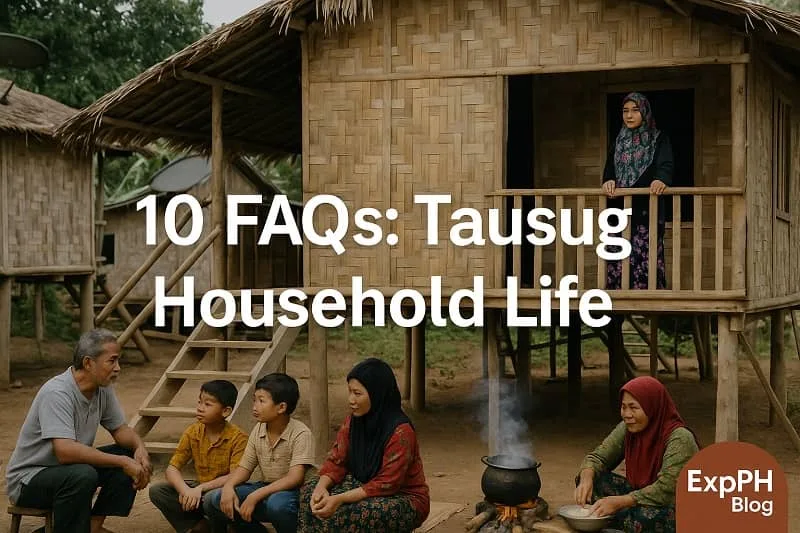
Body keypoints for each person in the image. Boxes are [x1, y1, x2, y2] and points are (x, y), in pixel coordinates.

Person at [5, 328, 152, 533]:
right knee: (84, 474)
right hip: (29, 480)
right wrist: (122, 462)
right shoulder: (57, 392)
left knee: (127, 454)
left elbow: (120, 429)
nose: (118, 368)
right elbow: (65, 452)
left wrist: (139, 448)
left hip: (69, 471)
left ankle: (92, 527)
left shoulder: (103, 388)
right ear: (88, 363)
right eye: (112, 361)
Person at [299, 357, 430, 533]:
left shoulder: (401, 431)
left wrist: (339, 499)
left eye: (357, 393)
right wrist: (320, 488)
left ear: (377, 394)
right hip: (361, 483)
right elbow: (337, 460)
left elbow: (387, 483)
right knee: (310, 493)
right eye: (350, 392)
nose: (351, 400)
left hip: (402, 497)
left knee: (348, 512)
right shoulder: (353, 422)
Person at [574, 376, 700, 533]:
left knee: (644, 519)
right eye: (623, 407)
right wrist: (586, 478)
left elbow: (666, 490)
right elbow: (598, 457)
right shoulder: (628, 427)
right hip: (639, 496)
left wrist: (621, 502)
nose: (627, 414)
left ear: (652, 407)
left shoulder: (680, 438)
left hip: (674, 506)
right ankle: (620, 518)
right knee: (592, 479)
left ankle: (618, 518)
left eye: (633, 408)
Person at [204, 373, 314, 533]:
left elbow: (295, 478)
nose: (255, 406)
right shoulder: (259, 428)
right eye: (254, 400)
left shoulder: (300, 433)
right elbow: (244, 468)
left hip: (294, 494)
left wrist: (255, 496)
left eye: (261, 401)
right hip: (266, 488)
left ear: (281, 407)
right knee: (216, 497)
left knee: (277, 504)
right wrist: (228, 486)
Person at [149, 380, 248, 533]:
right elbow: (172, 469)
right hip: (199, 490)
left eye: (207, 404)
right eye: (199, 402)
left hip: (224, 493)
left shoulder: (238, 438)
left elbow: (235, 475)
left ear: (225, 411)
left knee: (211, 498)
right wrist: (185, 491)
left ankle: (225, 527)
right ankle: (198, 526)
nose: (200, 408)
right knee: (158, 491)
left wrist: (200, 489)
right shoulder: (193, 432)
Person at [602, 91, 674, 291]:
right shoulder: (619, 142)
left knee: (646, 257)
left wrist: (661, 179)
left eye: (635, 110)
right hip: (618, 210)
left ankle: (649, 297)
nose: (629, 115)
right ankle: (617, 297)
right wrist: (607, 181)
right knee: (617, 255)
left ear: (645, 112)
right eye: (625, 111)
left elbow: (666, 165)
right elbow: (609, 170)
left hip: (646, 210)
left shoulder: (658, 139)